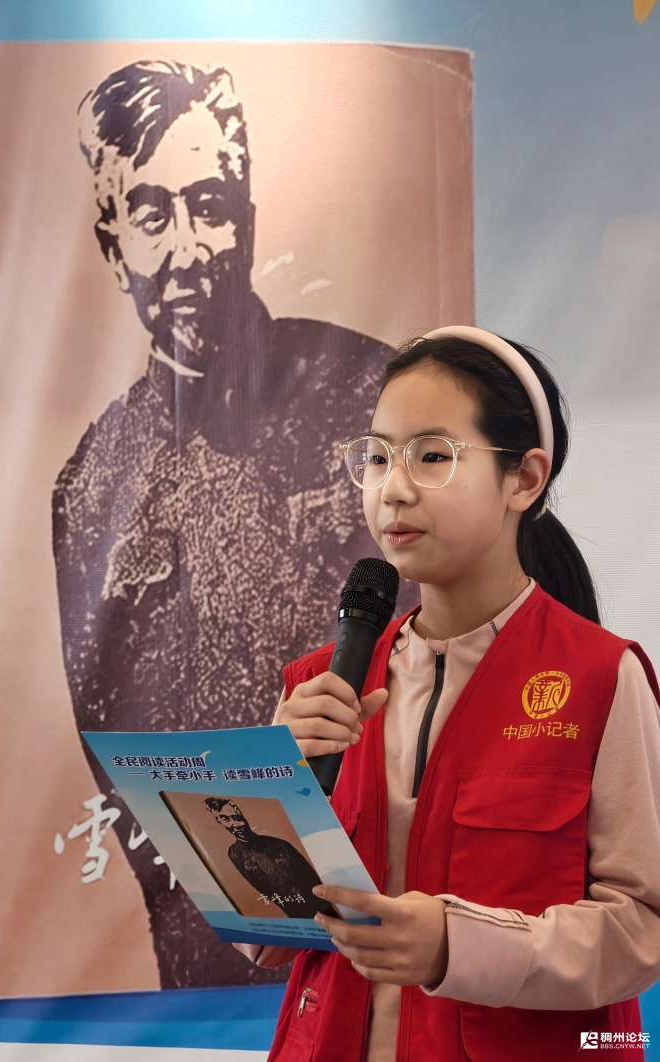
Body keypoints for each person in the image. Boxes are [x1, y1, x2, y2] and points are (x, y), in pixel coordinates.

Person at [52, 59, 406, 990]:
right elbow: (121, 755)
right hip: (220, 950)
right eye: (151, 216)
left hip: (410, 911)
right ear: (112, 245)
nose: (187, 250)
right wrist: (246, 913)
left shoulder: (372, 394)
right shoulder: (94, 482)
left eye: (208, 206)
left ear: (245, 218)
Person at [235, 325, 660, 1060]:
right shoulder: (317, 684)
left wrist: (456, 946)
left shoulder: (601, 677)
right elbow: (265, 939)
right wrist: (272, 789)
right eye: (376, 458)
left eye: (431, 456)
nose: (392, 489)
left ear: (523, 479)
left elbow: (642, 927)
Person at [204, 798, 331, 918]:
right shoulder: (234, 853)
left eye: (236, 818)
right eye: (225, 819)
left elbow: (312, 880)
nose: (235, 824)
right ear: (219, 822)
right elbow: (263, 889)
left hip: (321, 908)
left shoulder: (280, 845)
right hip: (293, 913)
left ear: (242, 816)